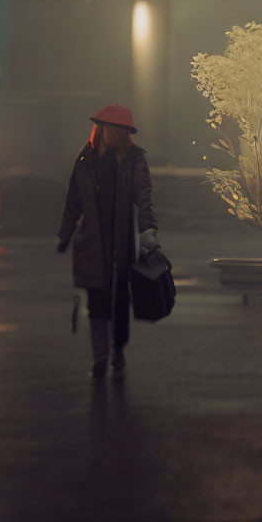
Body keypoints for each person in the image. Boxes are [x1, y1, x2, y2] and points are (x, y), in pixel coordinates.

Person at [57, 104, 159, 378]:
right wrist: (65, 234)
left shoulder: (133, 158)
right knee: (98, 302)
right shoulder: (86, 159)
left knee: (118, 303)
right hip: (92, 242)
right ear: (102, 130)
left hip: (120, 242)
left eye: (122, 131)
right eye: (114, 130)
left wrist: (148, 230)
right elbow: (73, 200)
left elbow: (144, 196)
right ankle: (101, 357)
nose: (117, 135)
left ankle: (117, 353)